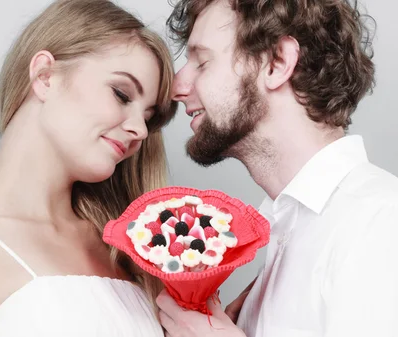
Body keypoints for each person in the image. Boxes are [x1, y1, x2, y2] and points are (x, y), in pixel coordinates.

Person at [0, 0, 178, 336]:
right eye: (121, 94)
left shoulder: (127, 254)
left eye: (148, 118)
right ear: (45, 76)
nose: (140, 131)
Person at [157, 0, 398, 336]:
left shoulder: (381, 223)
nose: (176, 88)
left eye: (202, 62)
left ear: (277, 63)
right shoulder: (289, 235)